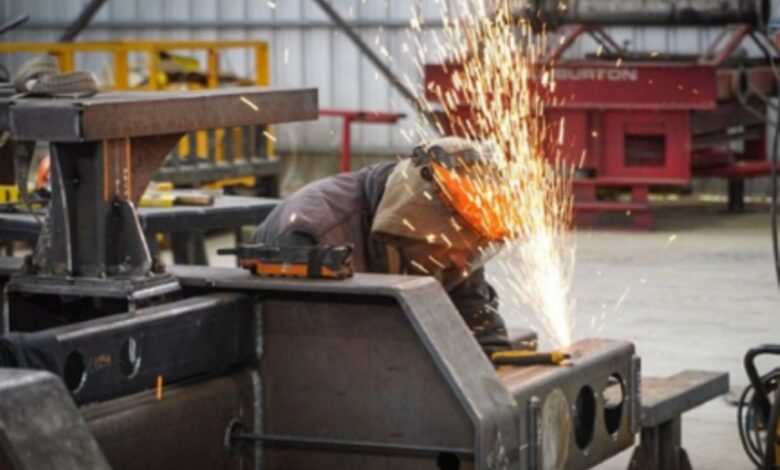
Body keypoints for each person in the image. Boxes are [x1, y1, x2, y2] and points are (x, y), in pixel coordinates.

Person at [253, 136, 511, 355]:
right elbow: (307, 361)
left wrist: (499, 361)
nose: (460, 262)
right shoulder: (311, 237)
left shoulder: (448, 243)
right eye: (453, 250)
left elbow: (479, 328)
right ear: (415, 221)